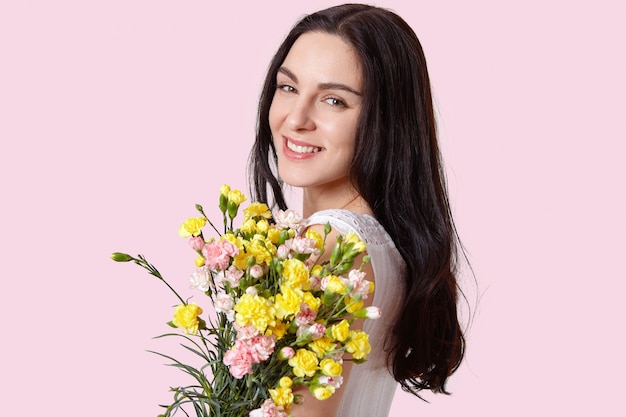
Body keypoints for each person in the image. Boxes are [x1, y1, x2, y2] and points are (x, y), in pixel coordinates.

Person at [249, 4, 465, 416]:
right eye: (288, 87)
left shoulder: (328, 246)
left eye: (333, 100)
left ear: (384, 121)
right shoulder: (380, 244)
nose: (296, 119)